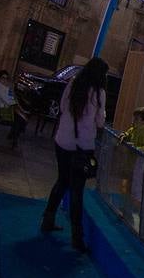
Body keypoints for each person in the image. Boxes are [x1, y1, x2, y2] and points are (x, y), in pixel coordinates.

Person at [40, 58, 108, 253]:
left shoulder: (73, 84)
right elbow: (100, 122)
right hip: (82, 147)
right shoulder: (98, 93)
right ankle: (77, 237)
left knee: (61, 180)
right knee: (77, 190)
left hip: (62, 140)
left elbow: (62, 108)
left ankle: (48, 218)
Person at [0, 69, 26, 146]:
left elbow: (11, 99)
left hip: (3, 109)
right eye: (3, 78)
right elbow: (10, 101)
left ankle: (13, 135)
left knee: (21, 117)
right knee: (21, 119)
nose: (4, 80)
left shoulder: (1, 87)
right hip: (2, 112)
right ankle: (14, 137)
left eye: (6, 78)